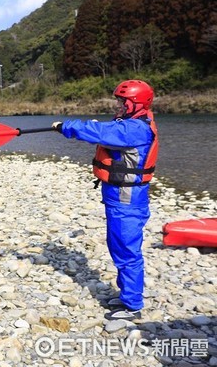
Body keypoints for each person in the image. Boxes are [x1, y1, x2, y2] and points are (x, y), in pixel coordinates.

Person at [51, 80, 158, 321]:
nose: (118, 105)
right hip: (118, 200)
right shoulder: (129, 124)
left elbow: (99, 132)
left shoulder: (135, 130)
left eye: (123, 102)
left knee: (127, 251)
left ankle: (133, 305)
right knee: (117, 247)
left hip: (127, 202)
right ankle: (125, 295)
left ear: (137, 104)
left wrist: (66, 127)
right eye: (119, 101)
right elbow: (107, 131)